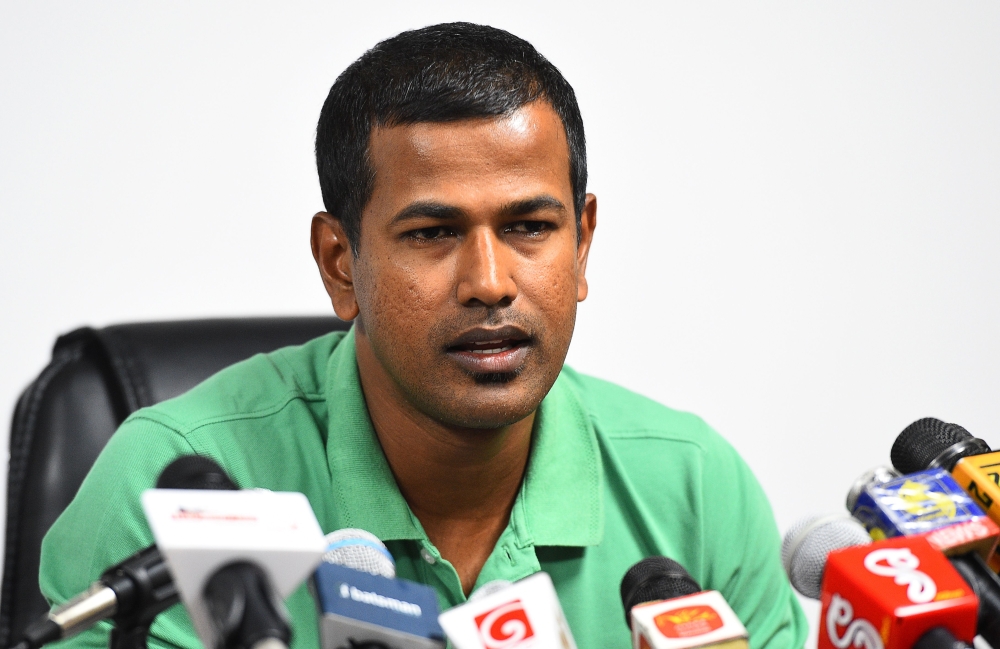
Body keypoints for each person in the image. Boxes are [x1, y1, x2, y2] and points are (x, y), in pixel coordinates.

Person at [39, 22, 808, 649]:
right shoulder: (173, 490)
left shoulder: (695, 489)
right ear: (340, 263)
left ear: (582, 244)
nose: (489, 282)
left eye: (530, 226)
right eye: (434, 232)